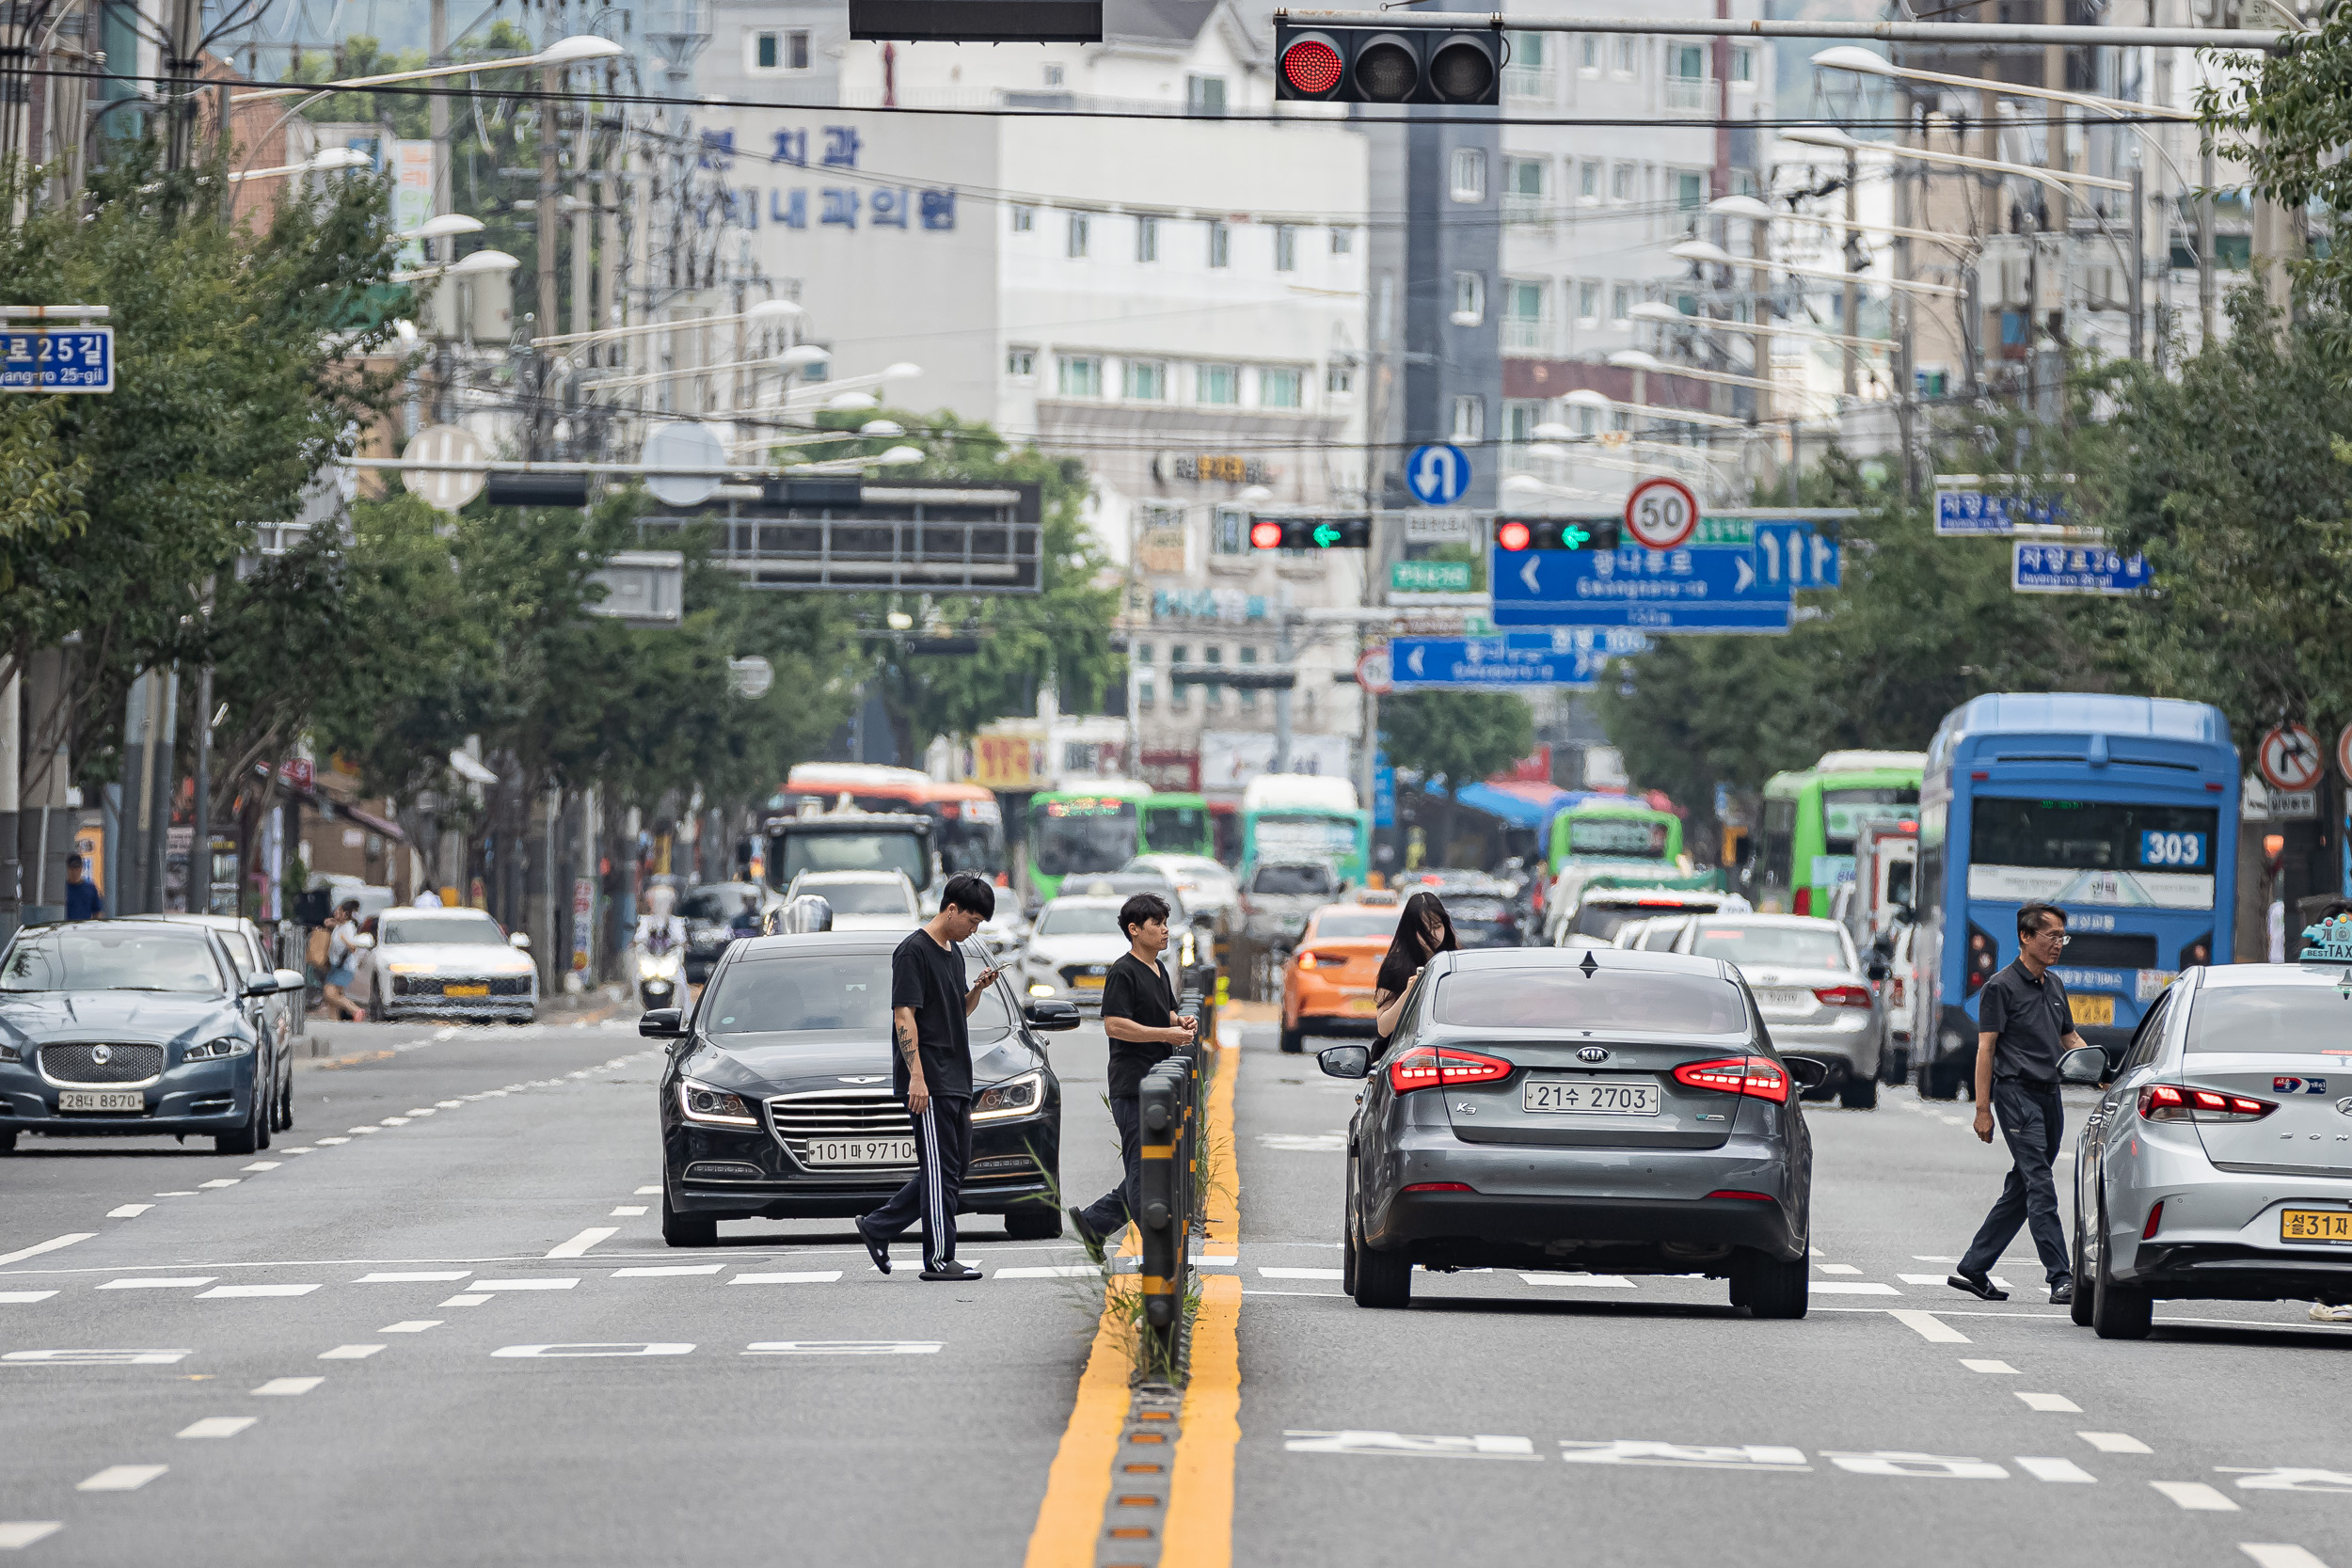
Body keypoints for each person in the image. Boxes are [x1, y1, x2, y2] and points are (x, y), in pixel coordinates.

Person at [857, 874, 1006, 1282]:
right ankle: (939, 1259)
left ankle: (879, 1226)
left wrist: (977, 991)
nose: (974, 930)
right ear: (951, 909)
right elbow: (904, 1014)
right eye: (972, 920)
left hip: (958, 1075)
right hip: (931, 1079)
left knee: (950, 1168)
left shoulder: (953, 953)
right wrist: (916, 1077)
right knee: (940, 1168)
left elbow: (954, 1012)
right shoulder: (913, 951)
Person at [1949, 901, 2084, 1305]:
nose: (2059, 944)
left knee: (2023, 1186)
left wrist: (2107, 1070)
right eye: (2051, 936)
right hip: (2016, 1094)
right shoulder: (2000, 988)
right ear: (2025, 937)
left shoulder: (2055, 985)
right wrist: (1982, 1109)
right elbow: (1985, 1050)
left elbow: (2070, 1040)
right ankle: (2061, 1277)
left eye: (2063, 936)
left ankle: (1975, 1266)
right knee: (2040, 1184)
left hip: (2050, 1095)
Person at [1069, 893, 1197, 1259]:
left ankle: (1094, 1222)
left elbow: (1163, 1012)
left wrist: (1179, 1022)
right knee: (1146, 1174)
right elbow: (1114, 1024)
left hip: (1159, 1084)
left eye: (1165, 923)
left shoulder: (1159, 968)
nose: (1164, 930)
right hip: (1133, 1085)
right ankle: (1161, 1259)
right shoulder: (1123, 971)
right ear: (1134, 929)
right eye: (1156, 924)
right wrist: (1165, 1034)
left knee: (1152, 1168)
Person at [1371, 890, 1460, 1053]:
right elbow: (1384, 1028)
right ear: (1411, 931)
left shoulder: (1455, 962)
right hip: (1398, 1053)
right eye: (1424, 930)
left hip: (1445, 1050)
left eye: (1437, 926)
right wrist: (1410, 991)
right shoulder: (1395, 966)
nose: (1432, 935)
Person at [321, 899, 368, 1022]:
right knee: (333, 998)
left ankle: (355, 1010)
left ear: (345, 914)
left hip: (344, 967)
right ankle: (334, 1021)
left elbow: (353, 947)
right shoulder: (340, 926)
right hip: (336, 965)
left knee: (329, 993)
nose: (335, 914)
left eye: (338, 912)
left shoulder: (348, 927)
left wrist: (344, 939)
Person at [61, 854, 103, 922]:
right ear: (67, 869)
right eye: (72, 869)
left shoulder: (90, 888)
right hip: (66, 928)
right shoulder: (63, 889)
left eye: (77, 869)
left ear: (81, 869)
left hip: (84, 928)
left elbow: (97, 912)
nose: (74, 872)